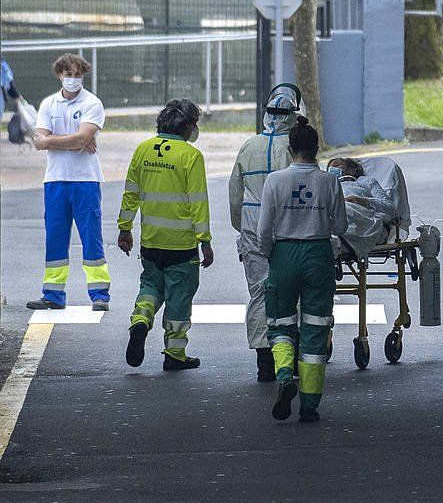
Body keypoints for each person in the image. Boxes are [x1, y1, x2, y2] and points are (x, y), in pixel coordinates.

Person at [259, 117, 347, 423]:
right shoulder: (329, 181)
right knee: (315, 327)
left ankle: (285, 376)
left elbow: (262, 231)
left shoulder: (275, 180)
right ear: (316, 148)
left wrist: (272, 255)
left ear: (290, 147)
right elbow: (341, 226)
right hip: (318, 254)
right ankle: (309, 405)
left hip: (283, 255)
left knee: (281, 323)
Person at [118, 99, 214, 372]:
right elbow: (198, 202)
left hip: (151, 241)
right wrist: (205, 241)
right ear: (186, 126)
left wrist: (125, 228)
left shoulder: (143, 149)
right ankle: (175, 354)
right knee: (179, 298)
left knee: (150, 287)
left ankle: (140, 320)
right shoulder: (190, 156)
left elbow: (131, 193)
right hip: (181, 246)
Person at [228, 83, 301, 382]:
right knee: (290, 291)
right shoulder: (293, 149)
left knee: (260, 292)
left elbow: (235, 192)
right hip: (286, 228)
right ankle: (289, 356)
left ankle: (263, 362)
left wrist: (241, 226)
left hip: (252, 223)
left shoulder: (248, 146)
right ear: (293, 116)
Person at [27, 54, 109, 311]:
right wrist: (75, 139)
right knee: (55, 238)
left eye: (78, 75)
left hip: (85, 180)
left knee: (91, 237)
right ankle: (52, 294)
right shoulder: (49, 104)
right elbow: (46, 141)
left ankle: (99, 295)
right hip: (55, 180)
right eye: (69, 74)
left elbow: (55, 140)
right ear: (59, 75)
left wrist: (58, 139)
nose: (73, 80)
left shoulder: (93, 103)